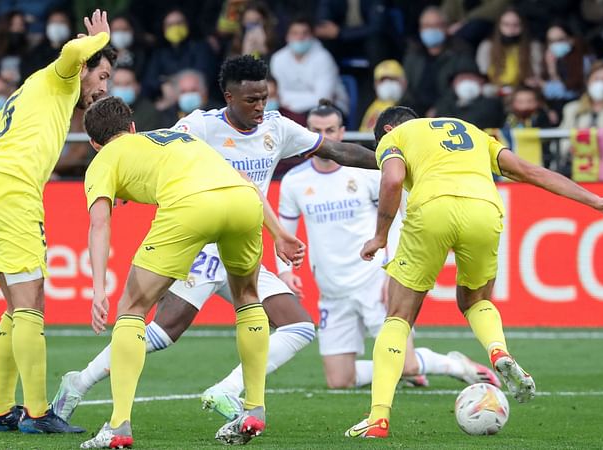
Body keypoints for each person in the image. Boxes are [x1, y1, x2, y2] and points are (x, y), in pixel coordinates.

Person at [51, 55, 381, 429]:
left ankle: (227, 388)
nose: (260, 107)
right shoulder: (199, 125)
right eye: (251, 100)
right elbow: (158, 155)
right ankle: (81, 383)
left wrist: (390, 164)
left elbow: (337, 152)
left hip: (240, 226)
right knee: (164, 329)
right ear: (228, 96)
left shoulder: (279, 127)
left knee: (299, 326)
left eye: (264, 98)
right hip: (199, 237)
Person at [344, 106, 603, 438]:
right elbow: (528, 170)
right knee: (474, 300)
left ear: (389, 128)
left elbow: (393, 178)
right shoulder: (472, 131)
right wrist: (594, 201)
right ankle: (498, 351)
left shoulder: (394, 136)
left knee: (398, 315)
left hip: (433, 209)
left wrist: (380, 236)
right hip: (485, 210)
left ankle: (378, 417)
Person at [0, 9, 115, 434]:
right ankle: (38, 412)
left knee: (15, 308)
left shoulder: (27, 93)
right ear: (84, 71)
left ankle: (0, 410)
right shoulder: (60, 77)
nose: (103, 87)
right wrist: (99, 38)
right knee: (32, 304)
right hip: (13, 194)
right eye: (103, 76)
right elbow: (73, 50)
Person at [77, 96, 285, 449]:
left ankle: (118, 427)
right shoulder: (178, 137)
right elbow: (243, 180)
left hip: (192, 206)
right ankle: (254, 409)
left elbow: (99, 223)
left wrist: (98, 288)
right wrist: (280, 233)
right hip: (244, 201)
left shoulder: (103, 160)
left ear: (95, 144)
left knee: (132, 309)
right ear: (132, 127)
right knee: (248, 299)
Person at [279, 100, 500, 390]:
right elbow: (285, 232)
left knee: (406, 363)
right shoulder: (294, 181)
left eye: (330, 130)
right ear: (308, 132)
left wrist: (391, 269)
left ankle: (454, 365)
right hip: (332, 291)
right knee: (339, 381)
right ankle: (400, 371)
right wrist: (284, 271)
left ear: (342, 132)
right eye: (317, 130)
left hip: (372, 281)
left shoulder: (369, 172)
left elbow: (398, 219)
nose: (325, 137)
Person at [270, 17, 347, 121]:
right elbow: (277, 95)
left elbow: (323, 99)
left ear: (312, 36)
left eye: (305, 33)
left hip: (326, 110)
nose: (300, 37)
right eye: (295, 33)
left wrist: (289, 102)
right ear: (287, 36)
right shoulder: (278, 59)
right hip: (288, 111)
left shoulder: (324, 58)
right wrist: (308, 97)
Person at [475, 7, 543, 96]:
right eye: (506, 25)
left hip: (524, 90)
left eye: (516, 25)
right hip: (495, 90)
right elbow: (482, 72)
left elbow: (536, 72)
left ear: (523, 26)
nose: (511, 30)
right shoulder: (487, 46)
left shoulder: (533, 46)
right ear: (499, 26)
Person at [110, 66, 165, 131]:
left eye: (127, 84)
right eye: (117, 84)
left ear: (137, 86)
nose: (122, 88)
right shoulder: (105, 111)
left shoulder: (149, 112)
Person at [359, 60, 407, 133]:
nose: (387, 84)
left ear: (404, 82)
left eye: (392, 79)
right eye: (382, 80)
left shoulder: (413, 106)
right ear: (375, 84)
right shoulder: (366, 106)